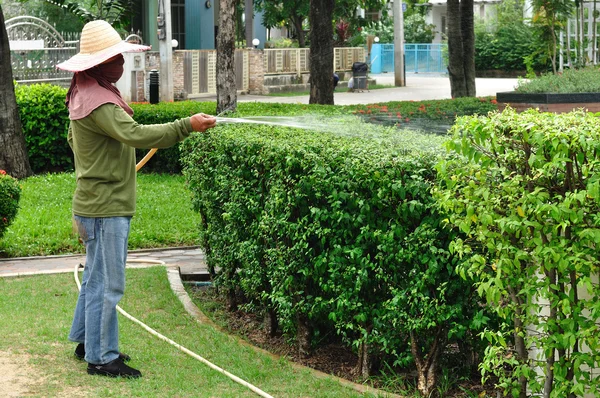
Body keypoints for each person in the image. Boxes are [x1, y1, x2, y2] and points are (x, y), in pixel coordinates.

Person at [56, 20, 216, 379]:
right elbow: (135, 134)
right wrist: (185, 125)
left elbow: (79, 142)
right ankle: (101, 358)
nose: (123, 63)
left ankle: (88, 343)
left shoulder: (83, 90)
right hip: (105, 208)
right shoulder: (100, 102)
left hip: (93, 204)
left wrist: (104, 163)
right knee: (107, 284)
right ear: (98, 63)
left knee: (96, 279)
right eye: (117, 57)